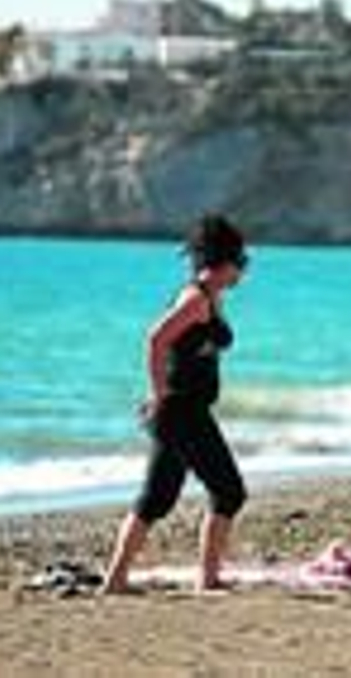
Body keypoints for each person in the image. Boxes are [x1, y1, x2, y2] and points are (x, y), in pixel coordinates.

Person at [101, 214, 250, 594]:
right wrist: (159, 394)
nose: (243, 273)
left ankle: (116, 580)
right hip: (182, 412)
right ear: (222, 263)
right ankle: (208, 578)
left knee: (157, 500)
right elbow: (155, 340)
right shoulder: (196, 300)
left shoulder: (210, 298)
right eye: (240, 264)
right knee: (229, 491)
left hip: (187, 412)